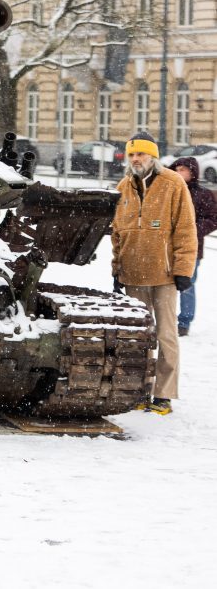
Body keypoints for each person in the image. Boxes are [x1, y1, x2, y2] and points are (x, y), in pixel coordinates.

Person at [111, 132, 198, 415]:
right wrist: (116, 269)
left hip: (165, 274)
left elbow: (186, 229)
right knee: (138, 338)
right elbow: (117, 233)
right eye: (133, 154)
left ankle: (163, 394)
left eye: (142, 154)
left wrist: (184, 269)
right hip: (132, 274)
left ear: (153, 156)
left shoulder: (173, 183)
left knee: (165, 334)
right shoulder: (123, 186)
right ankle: (140, 390)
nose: (136, 159)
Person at [168, 156, 217, 336]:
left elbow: (213, 219)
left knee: (187, 285)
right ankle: (164, 319)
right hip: (166, 247)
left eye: (184, 170)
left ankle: (184, 322)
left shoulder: (202, 194)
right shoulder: (168, 190)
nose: (179, 173)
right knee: (163, 285)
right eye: (177, 169)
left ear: (192, 172)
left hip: (192, 248)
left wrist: (191, 231)